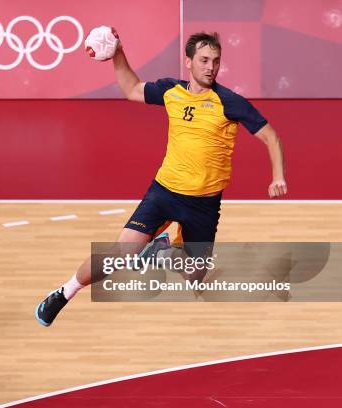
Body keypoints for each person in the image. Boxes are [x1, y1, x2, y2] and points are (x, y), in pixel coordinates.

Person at [35, 31, 287, 327]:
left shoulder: (230, 102)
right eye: (204, 60)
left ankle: (163, 249)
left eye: (216, 61)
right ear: (189, 62)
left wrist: (277, 176)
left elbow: (270, 136)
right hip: (164, 192)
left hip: (203, 206)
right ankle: (64, 293)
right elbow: (131, 88)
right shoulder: (172, 91)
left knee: (195, 278)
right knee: (118, 256)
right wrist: (118, 52)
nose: (211, 67)